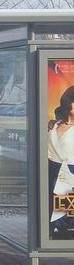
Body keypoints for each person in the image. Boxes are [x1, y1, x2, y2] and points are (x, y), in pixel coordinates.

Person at [47, 86, 74, 239]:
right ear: (68, 103)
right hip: (51, 170)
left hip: (69, 172)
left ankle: (61, 236)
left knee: (64, 215)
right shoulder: (54, 124)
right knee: (51, 207)